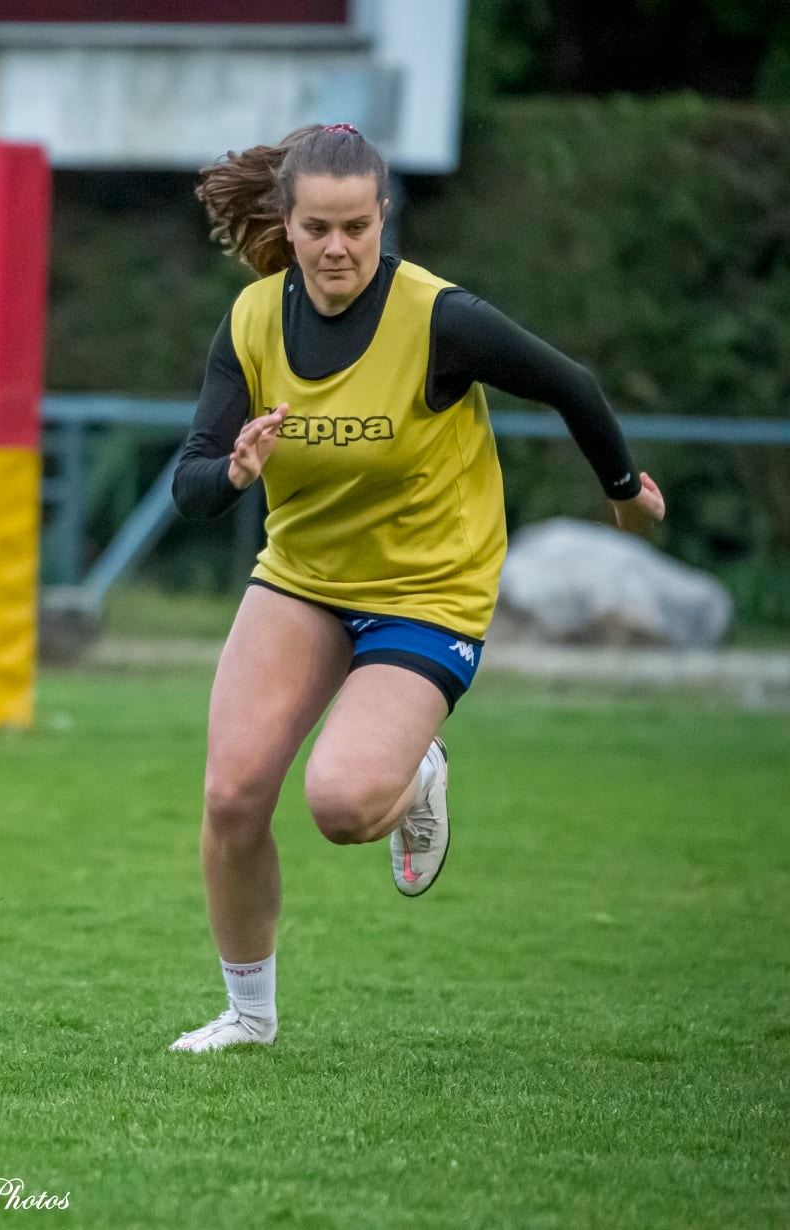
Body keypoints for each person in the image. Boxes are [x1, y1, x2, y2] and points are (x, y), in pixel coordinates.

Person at [166, 123, 667, 1053]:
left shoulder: (439, 318)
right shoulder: (250, 322)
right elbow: (191, 482)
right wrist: (233, 474)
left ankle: (415, 769)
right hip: (304, 580)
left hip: (428, 591)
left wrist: (623, 490)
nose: (337, 248)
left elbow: (572, 384)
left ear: (383, 217)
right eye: (317, 227)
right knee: (233, 797)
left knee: (344, 806)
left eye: (357, 226)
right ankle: (249, 1016)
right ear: (289, 219)